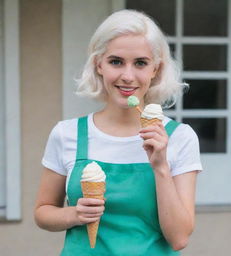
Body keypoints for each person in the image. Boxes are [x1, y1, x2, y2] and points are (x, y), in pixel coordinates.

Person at [34, 9, 202, 256]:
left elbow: (179, 239)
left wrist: (160, 167)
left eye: (141, 63)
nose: (127, 76)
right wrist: (74, 213)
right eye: (116, 62)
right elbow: (43, 212)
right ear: (98, 64)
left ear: (156, 69)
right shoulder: (67, 133)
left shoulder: (180, 137)